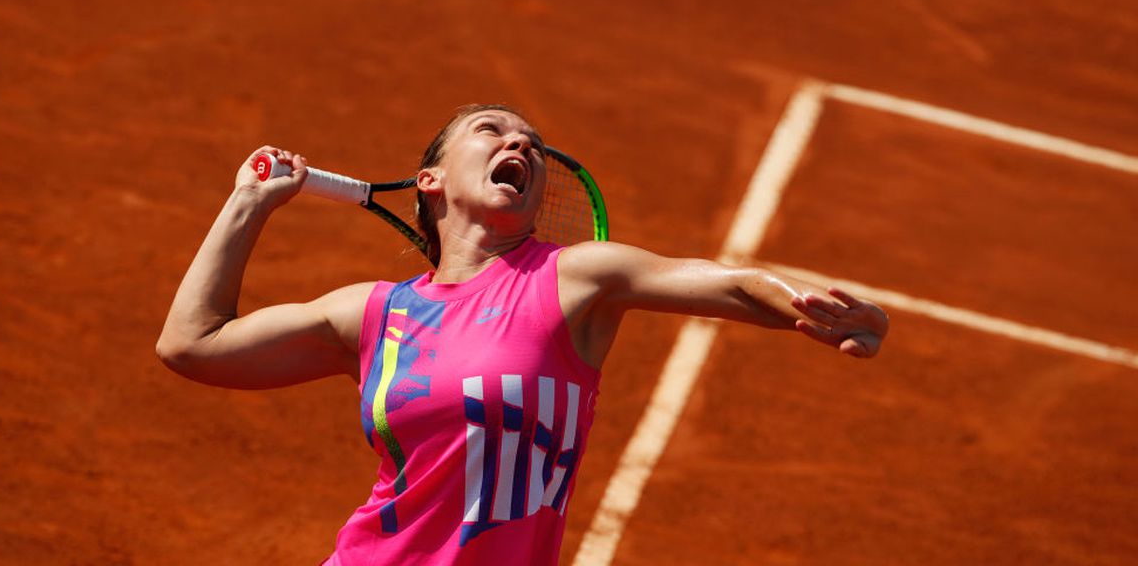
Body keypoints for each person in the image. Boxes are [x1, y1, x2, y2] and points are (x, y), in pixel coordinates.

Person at [157, 103, 889, 565]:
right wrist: (247, 205)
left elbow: (726, 281)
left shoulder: (575, 279)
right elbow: (193, 345)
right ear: (431, 181)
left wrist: (811, 307)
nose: (521, 144)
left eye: (532, 144)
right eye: (493, 131)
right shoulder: (374, 313)